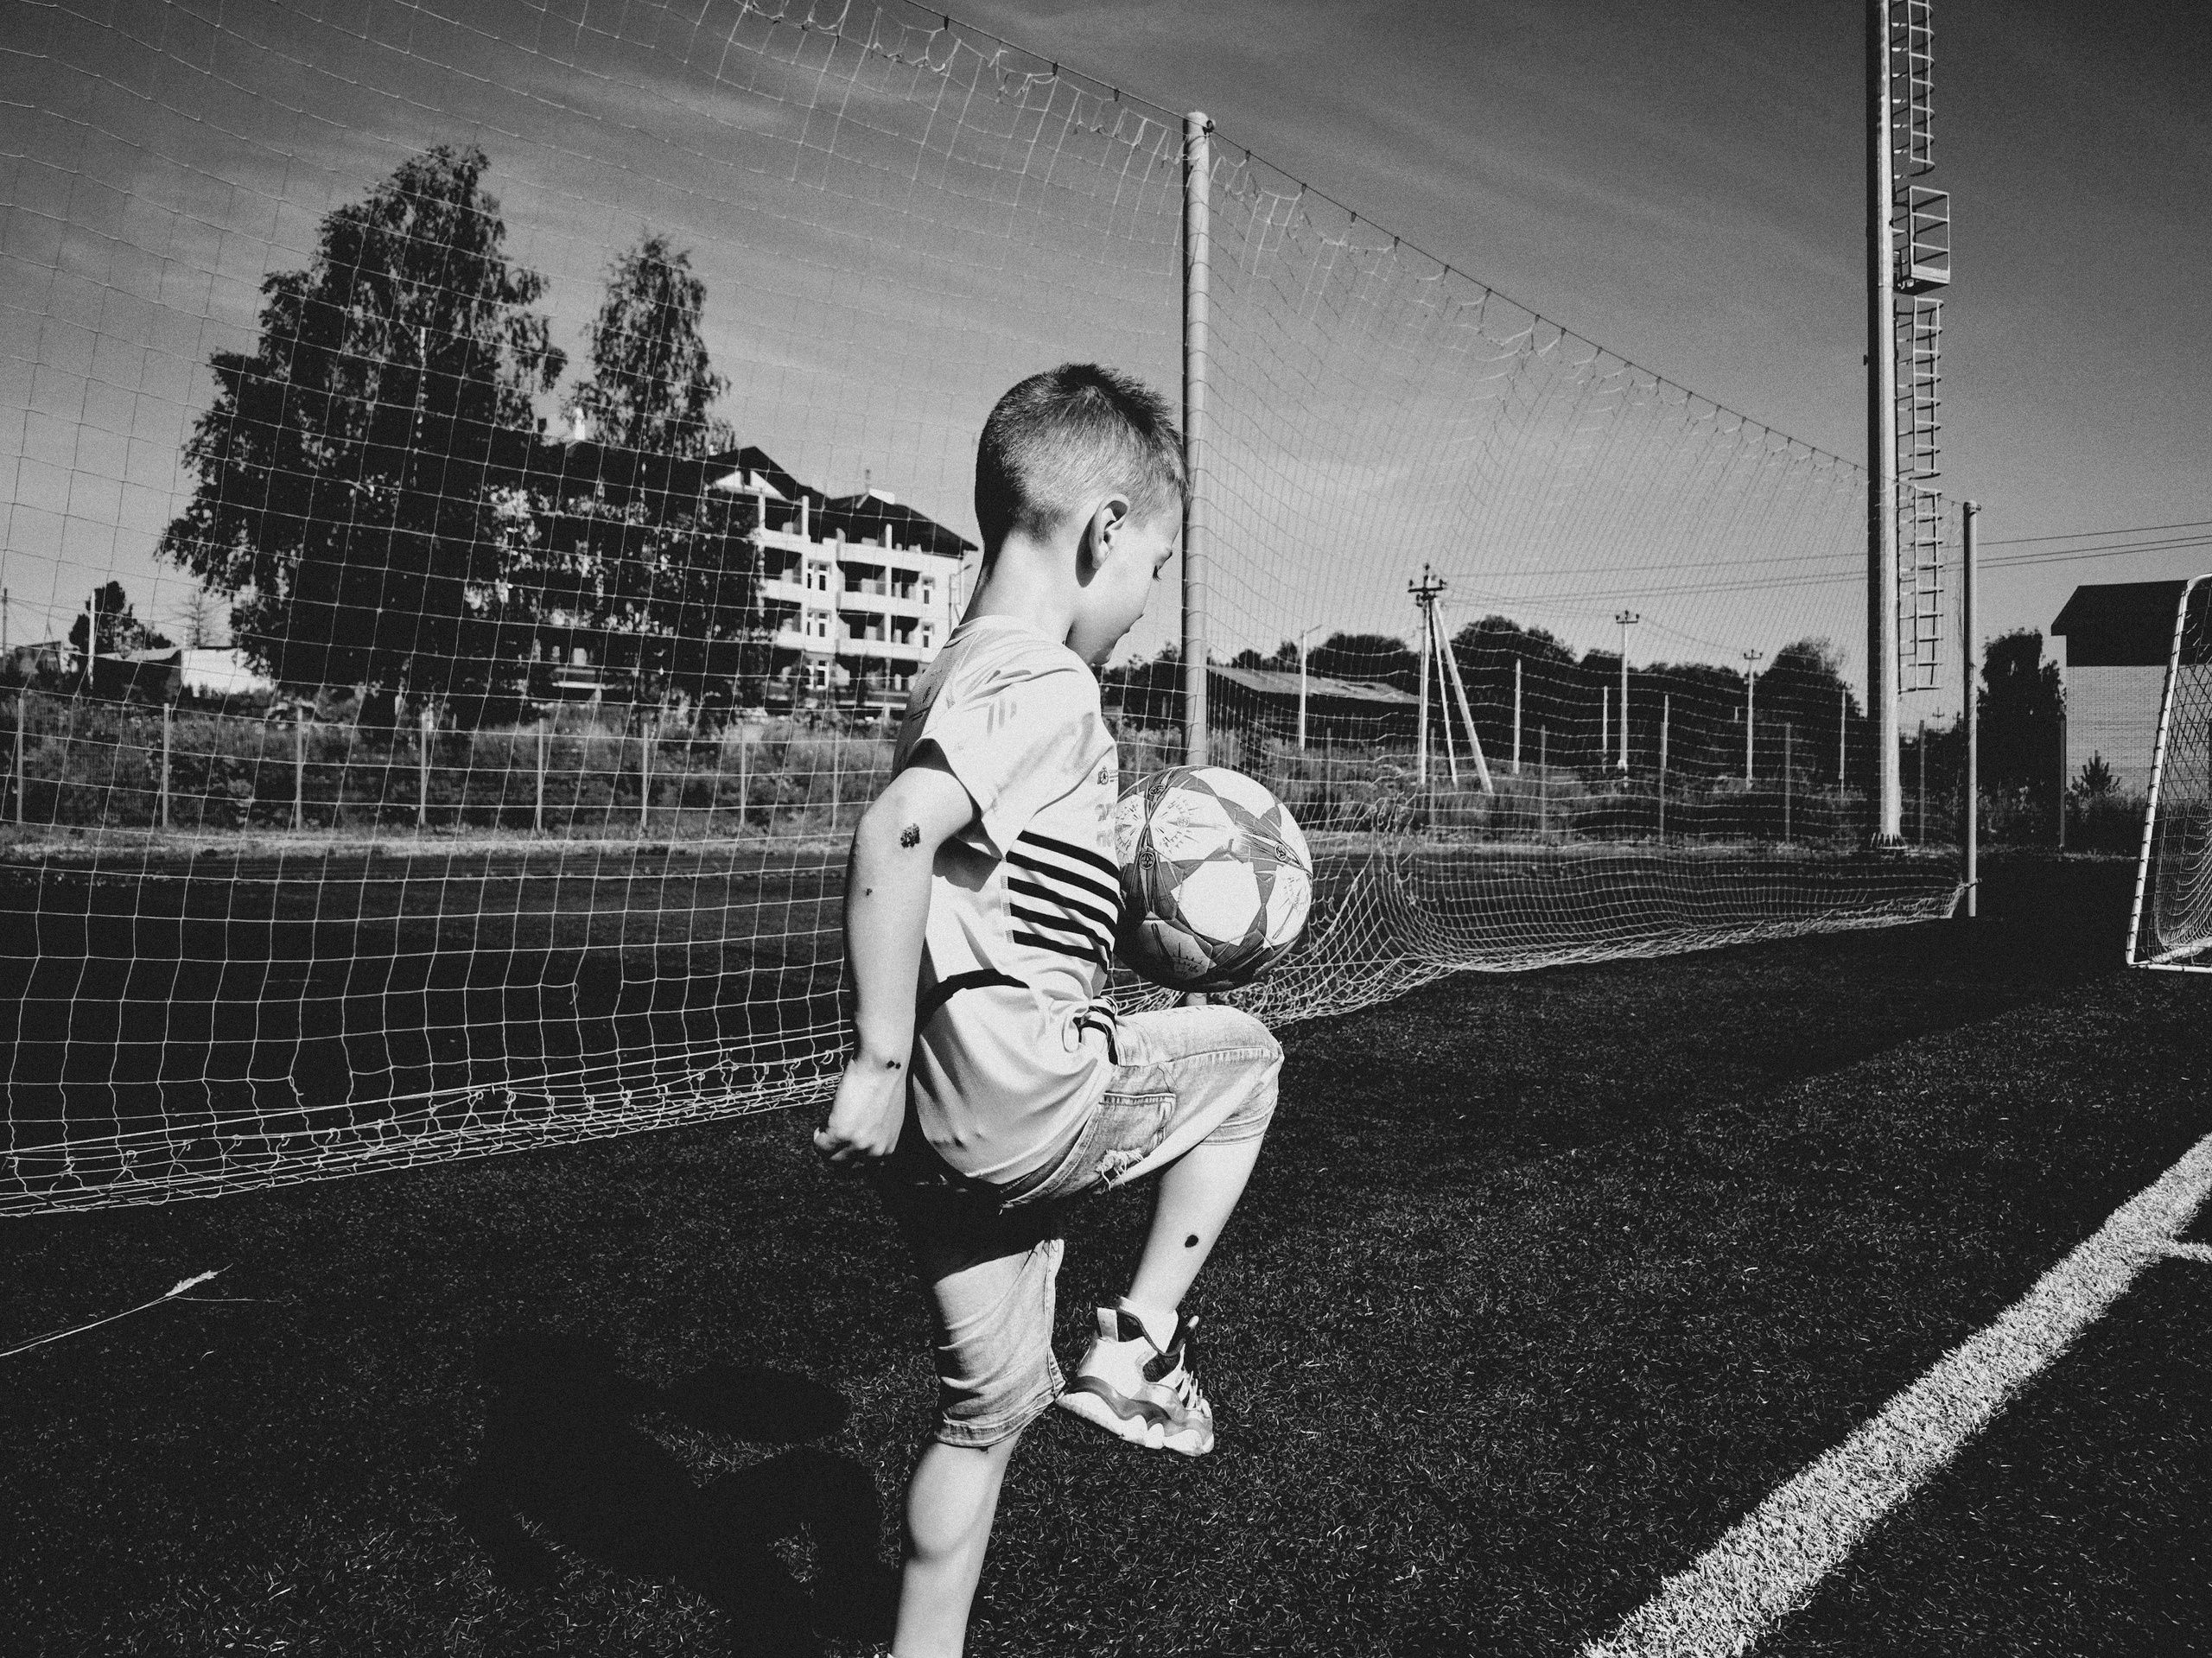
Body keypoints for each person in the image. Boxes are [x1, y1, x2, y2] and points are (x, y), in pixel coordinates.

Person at [813, 363, 1283, 1657]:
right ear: (1106, 532)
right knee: (1248, 1066)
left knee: (987, 1416)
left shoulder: (955, 672)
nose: (1142, 608)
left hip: (939, 1157)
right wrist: (874, 1051)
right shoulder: (1047, 684)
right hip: (1024, 1099)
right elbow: (899, 830)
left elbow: (979, 887)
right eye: (1157, 567)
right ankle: (1141, 1348)